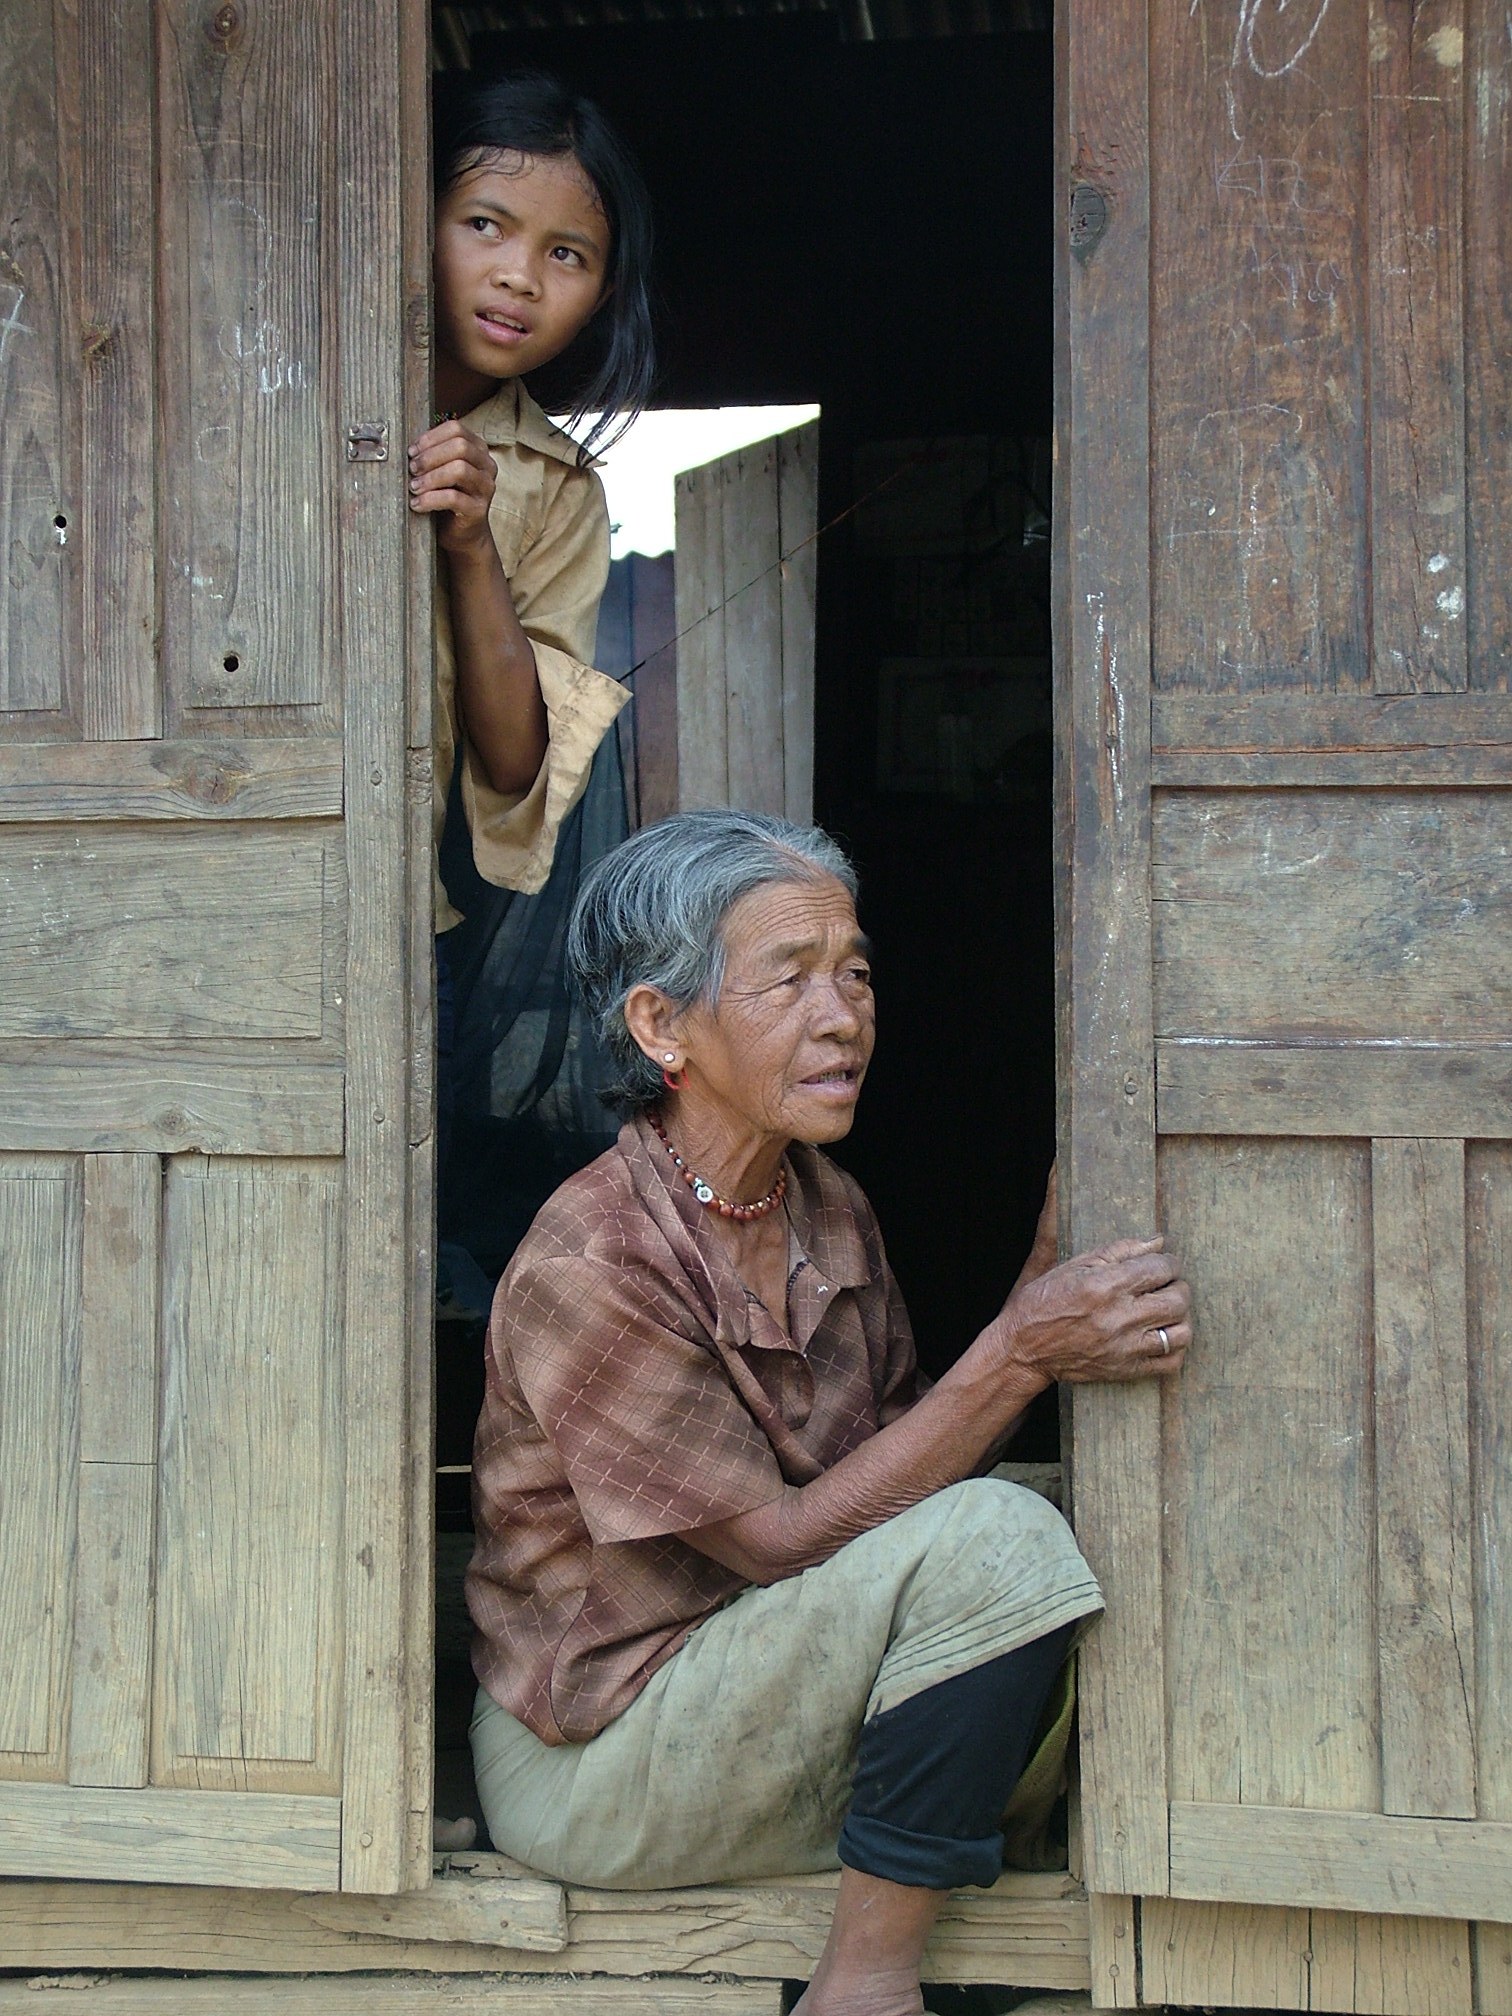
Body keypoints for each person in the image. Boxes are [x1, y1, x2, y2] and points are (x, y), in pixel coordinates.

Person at [466, 810, 1191, 2016]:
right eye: (788, 979)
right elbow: (778, 1543)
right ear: (662, 1026)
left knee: (1076, 1513)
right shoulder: (594, 1255)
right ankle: (865, 1982)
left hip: (763, 1685)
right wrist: (1022, 1348)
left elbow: (910, 1483)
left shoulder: (823, 1203)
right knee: (1005, 1543)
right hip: (601, 1757)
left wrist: (1036, 1288)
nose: (843, 1014)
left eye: (854, 971)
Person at [408, 72, 656, 1249]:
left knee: (379, 1238)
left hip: (407, 919)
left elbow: (516, 765)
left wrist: (471, 547)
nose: (519, 275)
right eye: (485, 226)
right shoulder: (278, 393)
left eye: (569, 254)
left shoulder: (557, 489)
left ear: (604, 293)